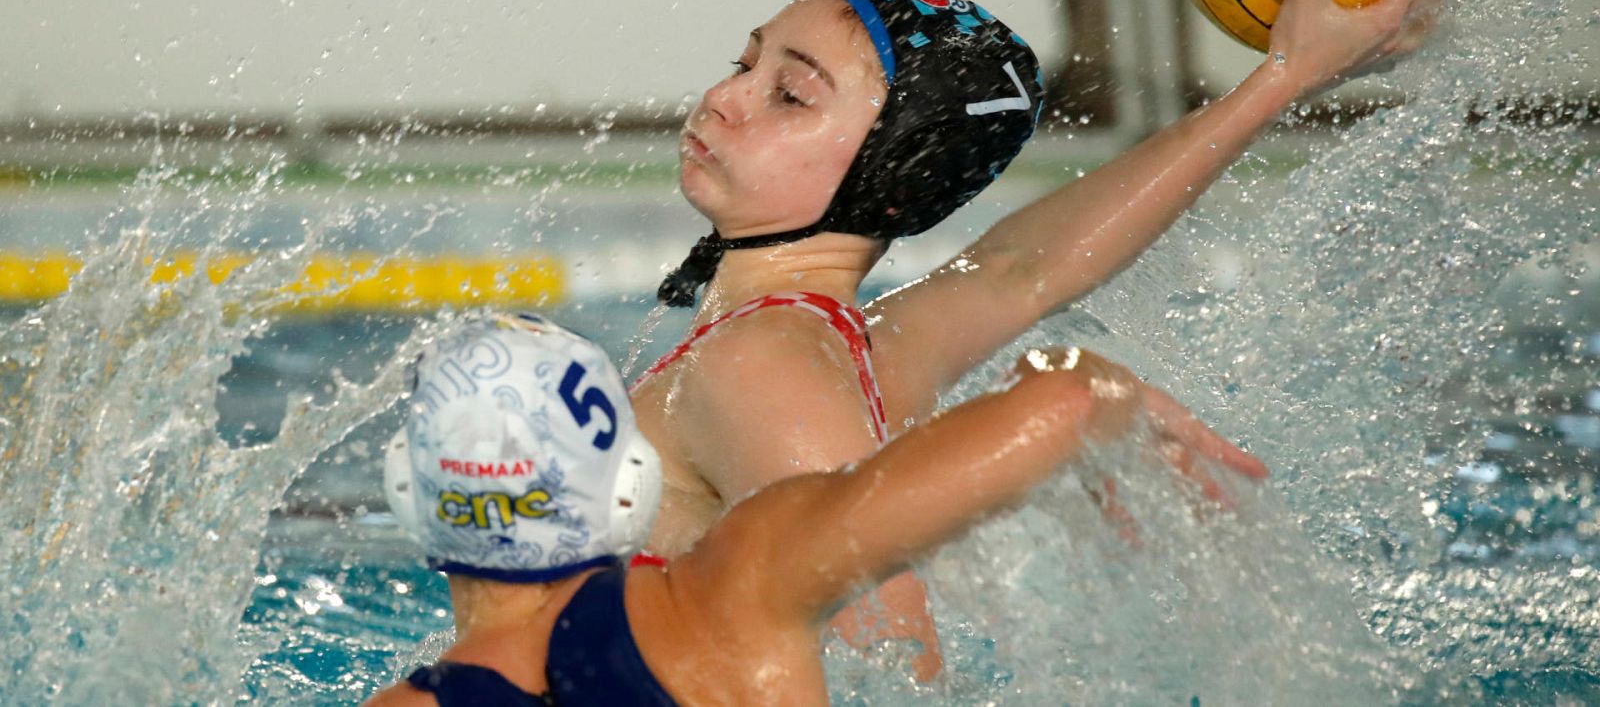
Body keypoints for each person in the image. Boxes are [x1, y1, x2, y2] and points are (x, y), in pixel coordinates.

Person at [628, 0, 1450, 673]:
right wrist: (1282, 76)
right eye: (745, 62)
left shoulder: (766, 366)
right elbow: (1019, 268)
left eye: (789, 93)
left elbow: (891, 667)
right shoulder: (853, 346)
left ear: (894, 176)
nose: (726, 97)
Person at [366, 313, 1211, 706]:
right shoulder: (734, 588)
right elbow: (1060, 406)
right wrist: (1087, 378)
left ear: (408, 493)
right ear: (632, 483)